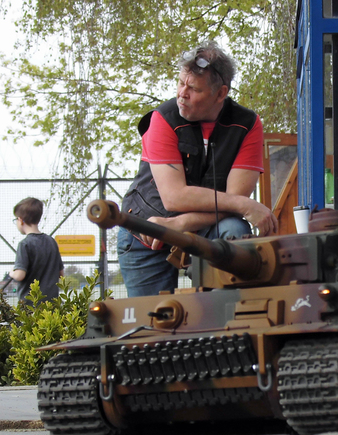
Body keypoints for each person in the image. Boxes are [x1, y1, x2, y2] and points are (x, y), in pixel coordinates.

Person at [117, 40, 278, 297]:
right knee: (152, 328)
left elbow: (233, 199)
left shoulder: (247, 125)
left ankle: (229, 318)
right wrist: (246, 205)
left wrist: (180, 223)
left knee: (235, 230)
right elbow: (175, 197)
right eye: (181, 83)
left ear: (220, 93)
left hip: (204, 229)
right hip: (148, 232)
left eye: (193, 88)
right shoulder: (161, 119)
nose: (182, 93)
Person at [9, 197, 64, 304]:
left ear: (20, 220)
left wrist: (12, 272)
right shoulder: (51, 242)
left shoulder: (25, 244)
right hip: (51, 305)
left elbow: (20, 275)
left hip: (30, 306)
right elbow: (61, 274)